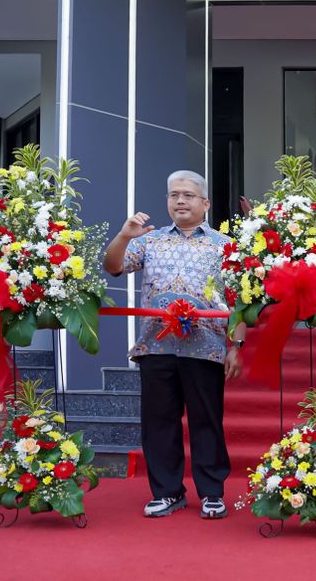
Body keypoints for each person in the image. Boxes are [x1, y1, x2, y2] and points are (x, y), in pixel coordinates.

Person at [103, 170, 240, 519]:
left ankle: (211, 492)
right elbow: (113, 266)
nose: (180, 200)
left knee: (206, 421)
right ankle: (167, 491)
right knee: (159, 421)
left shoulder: (225, 245)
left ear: (205, 203)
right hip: (156, 345)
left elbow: (239, 298)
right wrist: (123, 235)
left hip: (206, 346)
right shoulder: (148, 239)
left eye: (189, 195)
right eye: (174, 195)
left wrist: (236, 344)